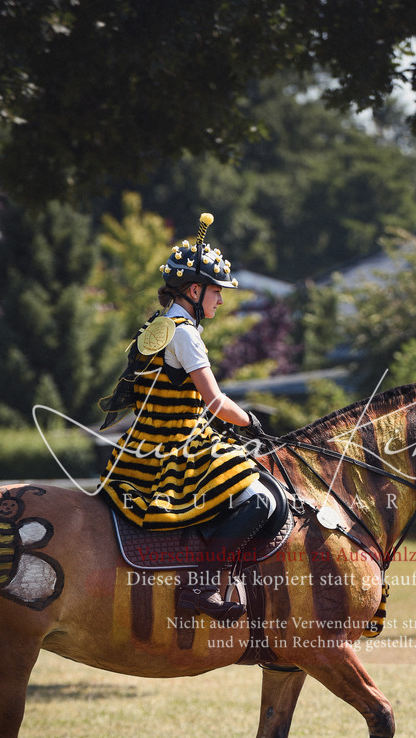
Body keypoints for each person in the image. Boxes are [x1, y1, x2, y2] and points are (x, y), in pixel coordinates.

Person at [98, 212, 275, 620]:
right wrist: (251, 422)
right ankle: (202, 589)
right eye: (216, 292)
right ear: (194, 289)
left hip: (139, 450)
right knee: (259, 500)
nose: (221, 299)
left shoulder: (154, 326)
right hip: (179, 450)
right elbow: (214, 402)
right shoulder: (186, 333)